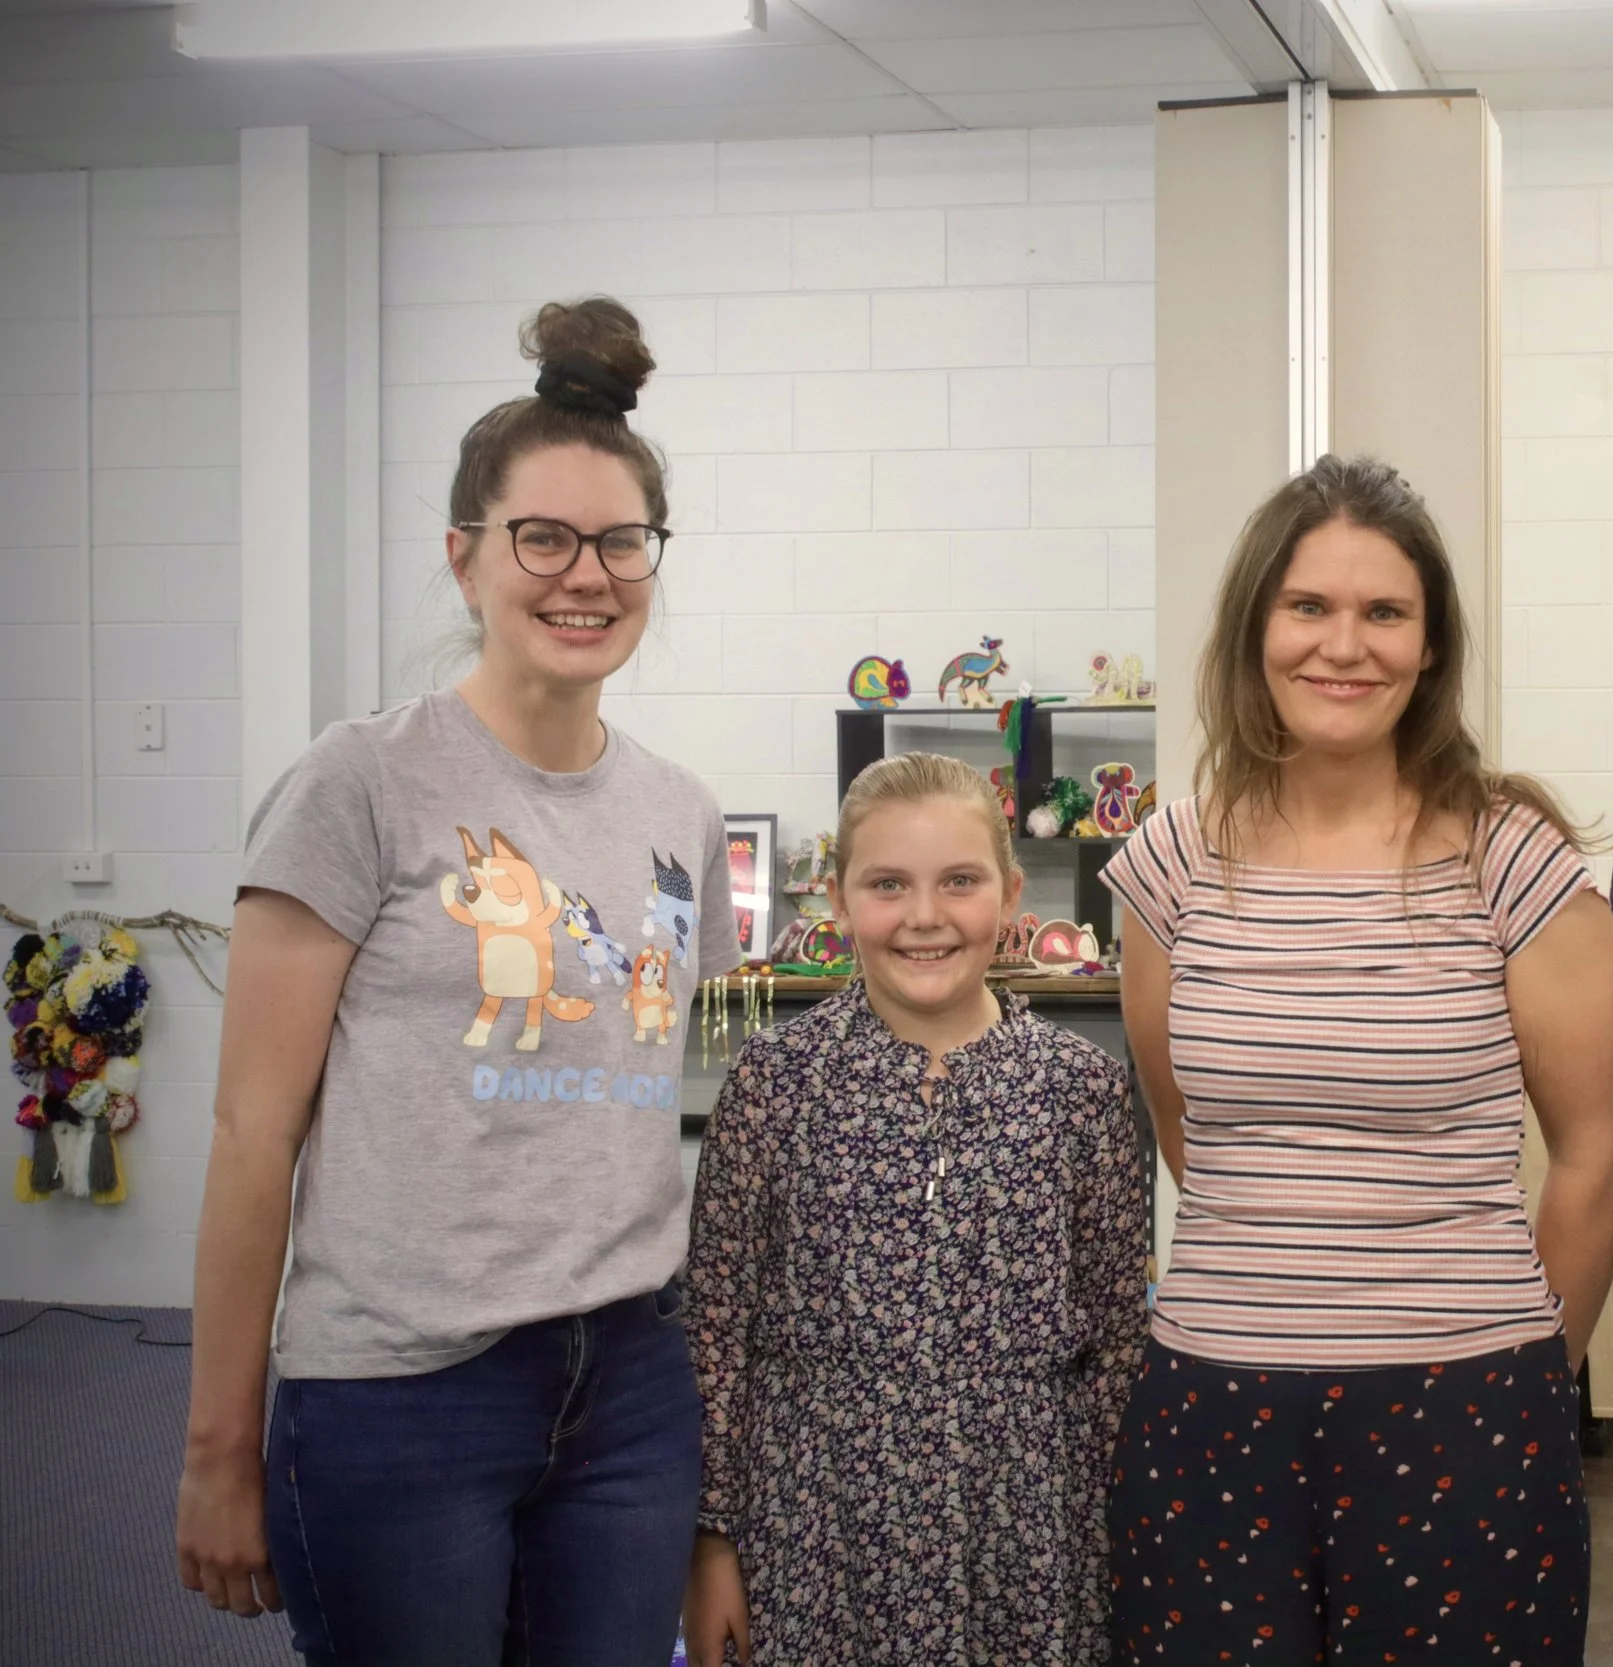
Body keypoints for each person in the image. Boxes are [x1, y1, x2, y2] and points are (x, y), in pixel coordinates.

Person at [174, 298, 736, 1666]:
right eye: (540, 536)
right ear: (465, 556)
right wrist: (217, 1447)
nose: (583, 574)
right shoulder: (358, 781)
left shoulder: (683, 812)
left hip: (629, 1383)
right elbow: (255, 1135)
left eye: (621, 541)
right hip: (403, 1388)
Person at [1103, 455, 1613, 1662]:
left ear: (1431, 647)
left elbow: (1597, 1150)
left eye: (1384, 612)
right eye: (1309, 606)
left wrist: (1519, 1372)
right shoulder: (1170, 865)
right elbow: (1182, 1120)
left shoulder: (1513, 864)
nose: (1343, 645)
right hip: (1214, 1406)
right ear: (1255, 629)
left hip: (1462, 1405)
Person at [680, 752, 1149, 1667]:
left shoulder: (1080, 1089)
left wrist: (1113, 1549)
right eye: (888, 884)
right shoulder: (775, 1085)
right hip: (813, 1534)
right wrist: (711, 1545)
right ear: (838, 897)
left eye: (960, 881)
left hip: (1029, 1538)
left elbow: (1116, 1347)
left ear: (1010, 895)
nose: (925, 916)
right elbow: (718, 1336)